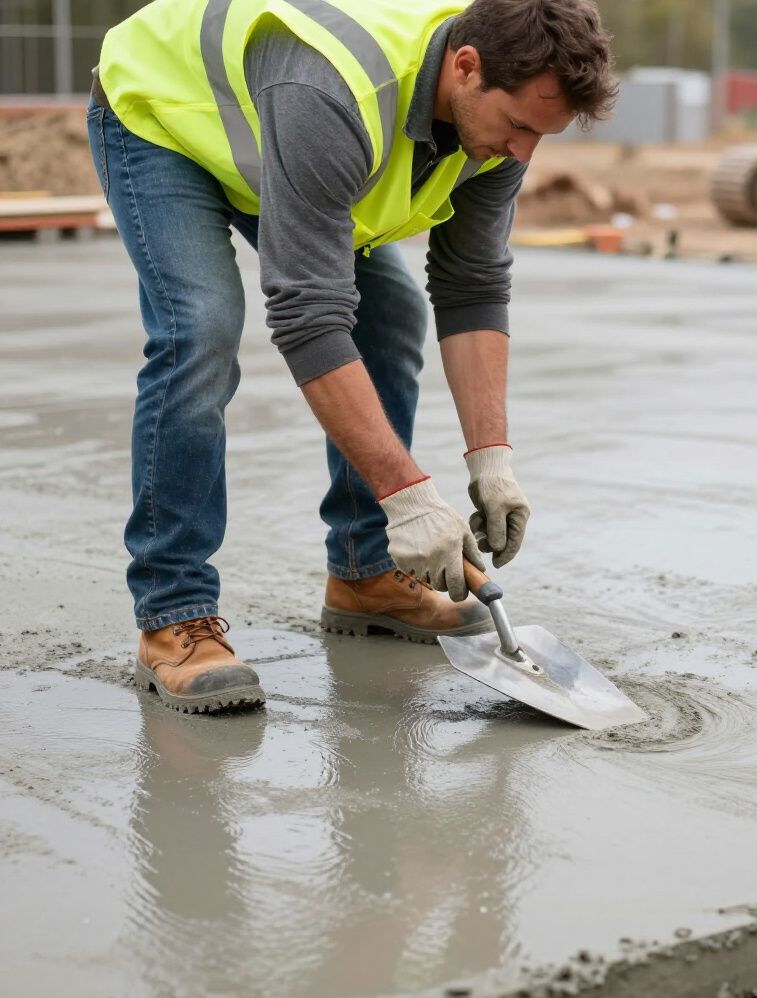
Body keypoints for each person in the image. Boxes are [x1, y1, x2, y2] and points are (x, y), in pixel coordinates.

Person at [87, 0, 616, 714]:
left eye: (541, 135)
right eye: (520, 126)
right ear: (466, 69)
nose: (524, 153)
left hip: (272, 135)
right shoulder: (334, 94)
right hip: (165, 118)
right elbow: (307, 315)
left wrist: (491, 460)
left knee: (392, 310)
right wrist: (409, 496)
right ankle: (174, 615)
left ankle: (367, 575)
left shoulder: (498, 120)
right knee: (201, 330)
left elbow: (472, 284)